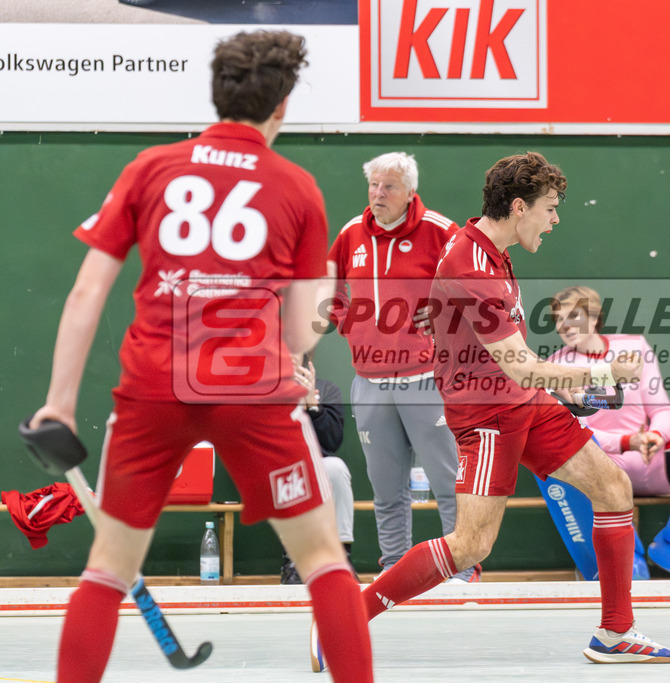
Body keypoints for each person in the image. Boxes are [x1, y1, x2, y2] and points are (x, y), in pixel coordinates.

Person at [28, 30, 372, 682]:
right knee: (325, 560)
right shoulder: (297, 187)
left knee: (108, 568)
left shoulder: (150, 168)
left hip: (153, 388)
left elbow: (86, 293)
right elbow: (298, 338)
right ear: (283, 106)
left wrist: (60, 405)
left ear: (217, 95)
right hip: (253, 390)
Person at [358, 152, 670, 663]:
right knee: (470, 545)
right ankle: (348, 617)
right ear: (518, 207)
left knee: (613, 488)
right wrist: (602, 374)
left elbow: (508, 358)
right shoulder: (472, 266)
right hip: (488, 417)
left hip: (524, 402)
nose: (555, 220)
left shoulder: (493, 251)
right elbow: (523, 366)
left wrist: (562, 389)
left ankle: (616, 632)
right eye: (550, 208)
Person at [327, 151, 477, 583]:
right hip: (370, 381)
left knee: (447, 483)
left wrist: (446, 313)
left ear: (410, 191)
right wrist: (349, 324)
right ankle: (395, 568)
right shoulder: (351, 234)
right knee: (386, 489)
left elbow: (478, 287)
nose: (378, 194)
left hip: (428, 380)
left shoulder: (441, 231)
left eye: (388, 186)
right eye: (373, 185)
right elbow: (328, 288)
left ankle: (462, 568)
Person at [547, 285, 670, 496]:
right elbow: (578, 432)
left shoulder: (635, 346)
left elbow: (662, 410)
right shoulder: (555, 367)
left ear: (594, 318)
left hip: (651, 460)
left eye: (574, 316)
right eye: (559, 319)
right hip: (602, 468)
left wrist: (655, 436)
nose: (566, 326)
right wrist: (626, 443)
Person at [281, 358, 357, 584]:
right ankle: (293, 564)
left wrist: (312, 406)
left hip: (317, 463)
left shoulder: (326, 390)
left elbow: (331, 441)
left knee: (336, 468)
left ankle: (342, 557)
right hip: (276, 464)